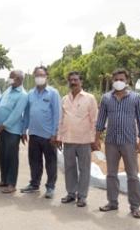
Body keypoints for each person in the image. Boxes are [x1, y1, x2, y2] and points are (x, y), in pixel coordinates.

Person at [95, 68, 140, 219]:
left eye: (122, 79)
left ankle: (135, 207)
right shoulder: (106, 98)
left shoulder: (136, 98)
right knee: (111, 174)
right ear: (113, 81)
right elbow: (100, 120)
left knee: (132, 175)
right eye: (116, 79)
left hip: (129, 142)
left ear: (127, 81)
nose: (119, 82)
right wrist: (97, 138)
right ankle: (112, 202)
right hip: (111, 142)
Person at [20, 66, 61, 199]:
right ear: (34, 77)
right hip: (33, 134)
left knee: (51, 163)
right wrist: (23, 130)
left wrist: (55, 133)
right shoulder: (30, 94)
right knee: (34, 162)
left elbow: (57, 114)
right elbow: (26, 113)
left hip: (49, 136)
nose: (39, 78)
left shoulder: (53, 93)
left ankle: (50, 187)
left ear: (46, 76)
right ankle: (34, 184)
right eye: (37, 75)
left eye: (42, 75)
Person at [58, 71, 98, 207]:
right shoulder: (64, 99)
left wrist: (94, 140)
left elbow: (95, 120)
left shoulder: (90, 98)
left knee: (84, 169)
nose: (73, 82)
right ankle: (71, 193)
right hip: (68, 140)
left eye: (76, 80)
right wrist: (59, 137)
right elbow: (61, 120)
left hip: (84, 141)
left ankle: (82, 196)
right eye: (71, 80)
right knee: (69, 168)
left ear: (81, 82)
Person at [0, 70, 28, 193]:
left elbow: (16, 114)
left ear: (18, 79)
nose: (9, 79)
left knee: (12, 157)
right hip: (2, 129)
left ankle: (12, 184)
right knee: (3, 155)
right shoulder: (8, 90)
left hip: (12, 131)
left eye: (11, 77)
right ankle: (4, 180)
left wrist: (2, 126)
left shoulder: (23, 95)